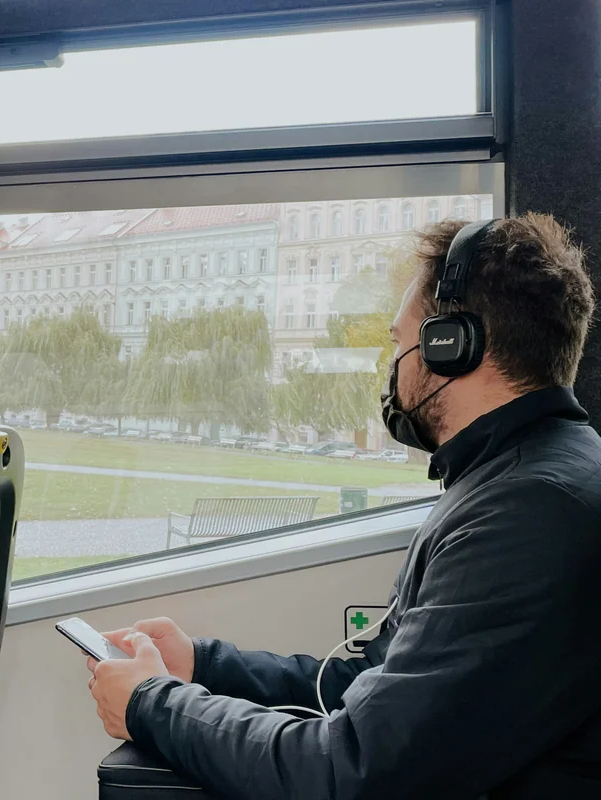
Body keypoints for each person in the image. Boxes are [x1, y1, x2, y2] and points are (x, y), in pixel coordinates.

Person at [86, 213, 601, 799]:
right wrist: (202, 666)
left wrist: (151, 704)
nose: (395, 366)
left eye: (399, 342)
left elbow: (353, 771)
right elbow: (369, 683)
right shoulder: (516, 480)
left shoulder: (528, 516)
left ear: (452, 345)